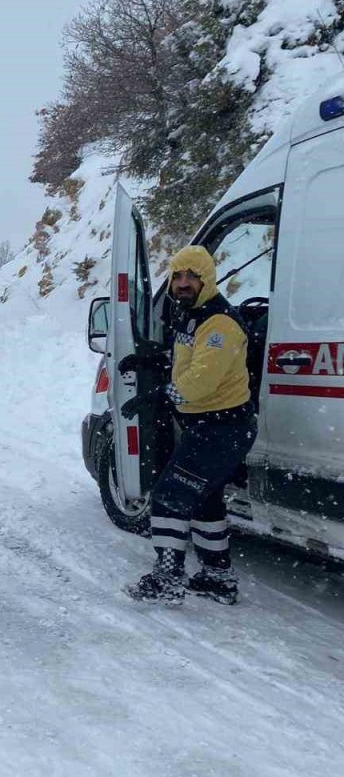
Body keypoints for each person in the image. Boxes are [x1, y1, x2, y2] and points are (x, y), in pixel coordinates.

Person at [120, 245, 257, 606]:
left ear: (206, 279)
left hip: (223, 428)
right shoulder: (193, 316)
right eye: (177, 276)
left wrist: (162, 396)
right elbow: (184, 359)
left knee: (169, 496)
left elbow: (201, 380)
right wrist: (148, 362)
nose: (182, 283)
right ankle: (217, 577)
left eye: (191, 276)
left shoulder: (219, 323)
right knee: (204, 498)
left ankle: (168, 578)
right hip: (212, 426)